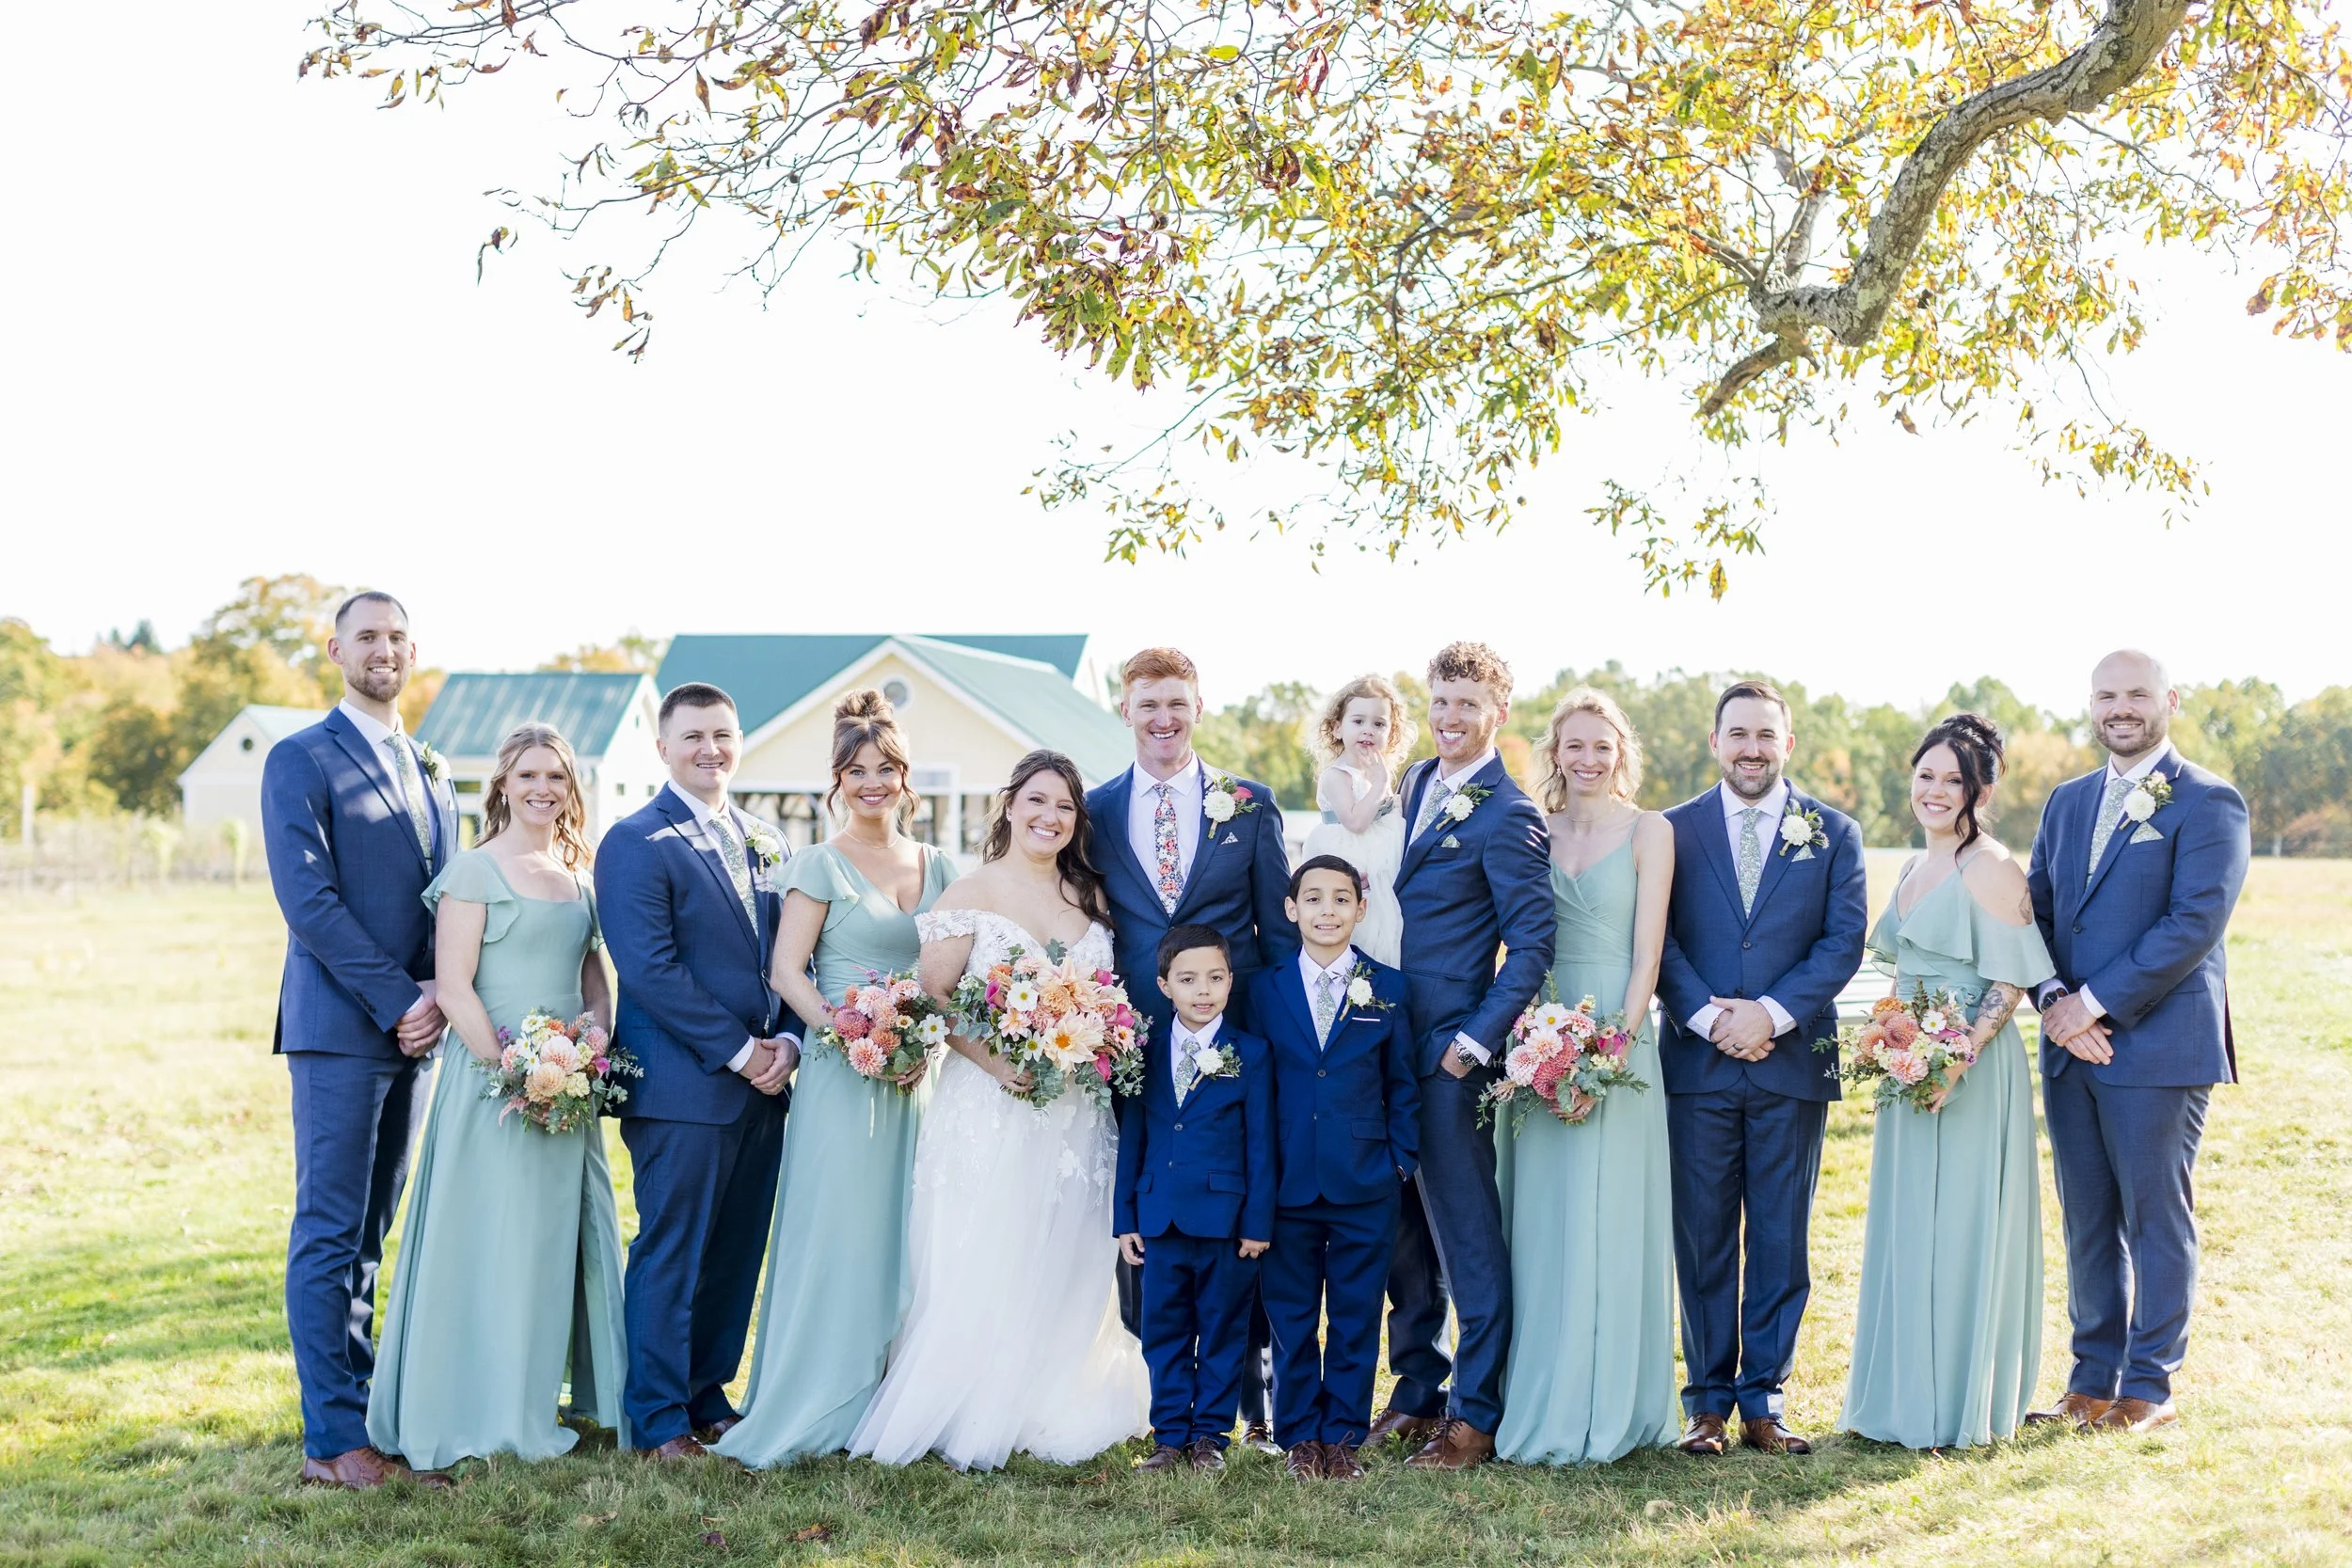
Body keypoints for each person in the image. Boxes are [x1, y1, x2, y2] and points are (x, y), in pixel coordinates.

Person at [850, 750, 1149, 1470]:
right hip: (990, 1101)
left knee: (1070, 1242)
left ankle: (1054, 1389)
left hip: (1077, 1108)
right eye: (1037, 801)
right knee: (990, 1240)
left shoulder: (1092, 895)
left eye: (1065, 808)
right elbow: (935, 998)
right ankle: (973, 1396)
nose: (1050, 817)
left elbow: (1108, 993)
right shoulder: (969, 892)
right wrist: (999, 1061)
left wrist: (1095, 1031)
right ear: (1010, 804)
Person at [366, 722, 629, 1466]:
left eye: (556, 776)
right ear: (503, 786)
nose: (543, 788)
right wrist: (518, 1070)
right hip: (494, 1089)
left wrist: (595, 1035)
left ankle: (533, 1394)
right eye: (528, 775)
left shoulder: (579, 877)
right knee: (487, 1239)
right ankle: (469, 1404)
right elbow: (454, 986)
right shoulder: (474, 871)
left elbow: (590, 974)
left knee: (548, 1245)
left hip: (567, 1087)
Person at [717, 690, 958, 1469]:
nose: (872, 783)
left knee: (912, 1235)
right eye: (857, 771)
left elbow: (952, 972)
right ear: (838, 780)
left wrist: (922, 1035)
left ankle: (901, 1399)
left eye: (885, 768)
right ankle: (822, 1394)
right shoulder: (819, 863)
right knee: (843, 1234)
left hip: (920, 1075)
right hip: (842, 1074)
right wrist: (848, 1027)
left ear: (905, 776)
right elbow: (787, 970)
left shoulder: (940, 865)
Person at [261, 590, 457, 1490]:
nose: (383, 649)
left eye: (397, 637)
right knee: (329, 1230)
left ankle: (364, 1412)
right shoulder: (300, 758)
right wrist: (397, 999)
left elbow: (447, 896)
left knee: (375, 1231)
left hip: (421, 1032)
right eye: (367, 636)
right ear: (335, 648)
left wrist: (443, 997)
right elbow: (310, 904)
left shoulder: (433, 764)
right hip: (342, 1031)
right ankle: (330, 1440)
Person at [2026, 650, 2249, 1434]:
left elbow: (2192, 923)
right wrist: (2053, 999)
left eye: (2137, 694)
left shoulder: (2210, 801)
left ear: (2168, 701)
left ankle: (2149, 1384)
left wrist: (2092, 1005)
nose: (2121, 707)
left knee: (2155, 1215)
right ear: (2091, 704)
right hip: (2067, 1044)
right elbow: (2040, 913)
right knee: (2087, 1216)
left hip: (2157, 1044)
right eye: (2106, 695)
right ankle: (2089, 1380)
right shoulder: (2067, 800)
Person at [1088, 647, 1295, 1449]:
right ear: (1127, 711)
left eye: (1177, 702)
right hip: (1133, 1044)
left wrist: (1269, 1043)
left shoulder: (1249, 803)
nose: (1163, 719)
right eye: (1148, 705)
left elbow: (1274, 935)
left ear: (1199, 707)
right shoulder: (1098, 809)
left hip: (1231, 1039)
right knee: (1153, 1217)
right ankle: (1164, 1402)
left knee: (1233, 1225)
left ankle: (1247, 1402)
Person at [1654, 678, 1867, 1457]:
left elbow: (1842, 943)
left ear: (1788, 743)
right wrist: (1711, 1017)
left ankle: (1764, 1400)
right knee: (1702, 1235)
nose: (1751, 748)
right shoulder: (1670, 830)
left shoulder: (1834, 832)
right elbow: (1659, 939)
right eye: (1737, 733)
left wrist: (1769, 1014)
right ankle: (1707, 1403)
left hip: (1790, 1062)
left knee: (1781, 1235)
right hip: (1698, 1063)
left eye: (1765, 735)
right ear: (1715, 742)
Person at [595, 683, 801, 1461]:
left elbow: (789, 958)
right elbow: (648, 968)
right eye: (693, 736)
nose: (709, 748)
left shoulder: (766, 836)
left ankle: (708, 1392)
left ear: (738, 737)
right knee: (674, 1248)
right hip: (682, 1086)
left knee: (736, 1248)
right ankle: (657, 1418)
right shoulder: (635, 840)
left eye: (721, 733)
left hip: (766, 1084)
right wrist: (744, 1051)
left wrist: (786, 1044)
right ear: (663, 748)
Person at [1841, 715, 2054, 1449]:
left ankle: (1957, 1398)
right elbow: (1901, 971)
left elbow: (2009, 978)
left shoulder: (1991, 865)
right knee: (1910, 1224)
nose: (1935, 790)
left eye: (1953, 780)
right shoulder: (1910, 868)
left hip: (1971, 1068)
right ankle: (1905, 1390)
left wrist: (1954, 1055)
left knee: (1962, 1225)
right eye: (1925, 775)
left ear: (1981, 789)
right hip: (1912, 1067)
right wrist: (1889, 1039)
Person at [1372, 641, 1554, 1472]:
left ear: (1499, 713)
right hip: (1381, 1046)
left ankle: (1475, 1417)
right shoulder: (1412, 784)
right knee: (1403, 1235)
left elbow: (1531, 945)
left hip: (1447, 1054)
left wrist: (1471, 1043)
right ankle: (1417, 1391)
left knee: (1465, 1238)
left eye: (1467, 704)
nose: (1450, 718)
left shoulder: (1508, 814)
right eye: (1441, 701)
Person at [1494, 689, 1678, 1465]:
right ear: (1555, 751)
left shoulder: (1651, 830)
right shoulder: (1534, 828)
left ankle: (1608, 1401)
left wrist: (1607, 1055)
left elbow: (1648, 955)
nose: (1589, 759)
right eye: (1575, 745)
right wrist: (1537, 1047)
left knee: (1607, 1217)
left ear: (1621, 750)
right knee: (1539, 1220)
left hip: (1617, 1043)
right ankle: (1531, 1389)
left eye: (1603, 745)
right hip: (1539, 1040)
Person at [1249, 856, 1419, 1482]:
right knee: (1291, 1316)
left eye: (1341, 898)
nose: (1327, 909)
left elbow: (1402, 1084)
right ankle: (1298, 1436)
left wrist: (1399, 1162)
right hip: (1286, 1181)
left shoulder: (1390, 988)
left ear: (1359, 909)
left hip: (1365, 1179)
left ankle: (1343, 1435)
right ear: (1291, 909)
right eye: (1313, 898)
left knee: (1354, 1313)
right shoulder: (1262, 989)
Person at [1114, 926, 1276, 1475]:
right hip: (1159, 1217)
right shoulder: (1146, 1052)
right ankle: (1169, 1436)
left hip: (1226, 1222)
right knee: (1163, 1332)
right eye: (1187, 980)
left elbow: (1261, 1145)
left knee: (1224, 1329)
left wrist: (1257, 1222)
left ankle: (1210, 1436)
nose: (1202, 990)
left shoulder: (1250, 1053)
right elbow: (1133, 1138)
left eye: (1214, 978)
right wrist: (1125, 1217)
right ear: (1164, 985)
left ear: (1231, 981)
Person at [1298, 675, 1416, 967]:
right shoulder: (1337, 776)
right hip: (1353, 861)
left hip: (1384, 868)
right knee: (1363, 933)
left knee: (1387, 931)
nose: (1368, 731)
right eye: (1358, 721)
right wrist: (1380, 784)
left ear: (1391, 733)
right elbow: (1355, 821)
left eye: (1379, 724)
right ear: (1337, 728)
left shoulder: (1377, 774)